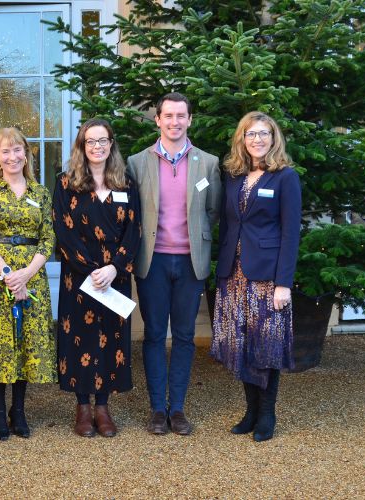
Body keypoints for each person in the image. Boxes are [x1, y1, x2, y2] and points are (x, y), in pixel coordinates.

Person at [126, 92, 222, 435]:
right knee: (153, 335)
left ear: (190, 120)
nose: (174, 122)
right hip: (151, 262)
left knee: (183, 336)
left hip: (189, 263)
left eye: (181, 116)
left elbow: (213, 210)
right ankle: (156, 409)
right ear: (158, 120)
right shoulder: (137, 163)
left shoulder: (208, 163)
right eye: (168, 116)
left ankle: (177, 409)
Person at [211, 112, 301, 442]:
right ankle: (250, 410)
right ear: (242, 139)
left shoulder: (285, 177)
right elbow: (227, 222)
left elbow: (291, 233)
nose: (257, 140)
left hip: (266, 277)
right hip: (233, 275)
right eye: (251, 134)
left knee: (268, 345)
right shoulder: (234, 176)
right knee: (242, 343)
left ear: (274, 138)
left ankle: (267, 414)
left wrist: (284, 283)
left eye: (264, 134)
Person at [53, 118, 141, 438]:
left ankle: (103, 407)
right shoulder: (66, 183)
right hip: (79, 277)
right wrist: (91, 270)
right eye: (90, 141)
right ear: (81, 146)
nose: (97, 147)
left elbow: (134, 231)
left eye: (103, 141)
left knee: (111, 340)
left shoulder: (126, 184)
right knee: (80, 339)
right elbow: (63, 230)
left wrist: (114, 267)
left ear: (111, 144)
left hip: (114, 276)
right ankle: (83, 407)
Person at [0, 127, 55, 441]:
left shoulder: (41, 193)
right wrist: (9, 273)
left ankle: (18, 410)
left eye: (18, 149)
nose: (12, 156)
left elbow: (48, 239)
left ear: (27, 153)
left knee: (25, 342)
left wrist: (26, 275)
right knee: (0, 343)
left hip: (32, 277)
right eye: (5, 151)